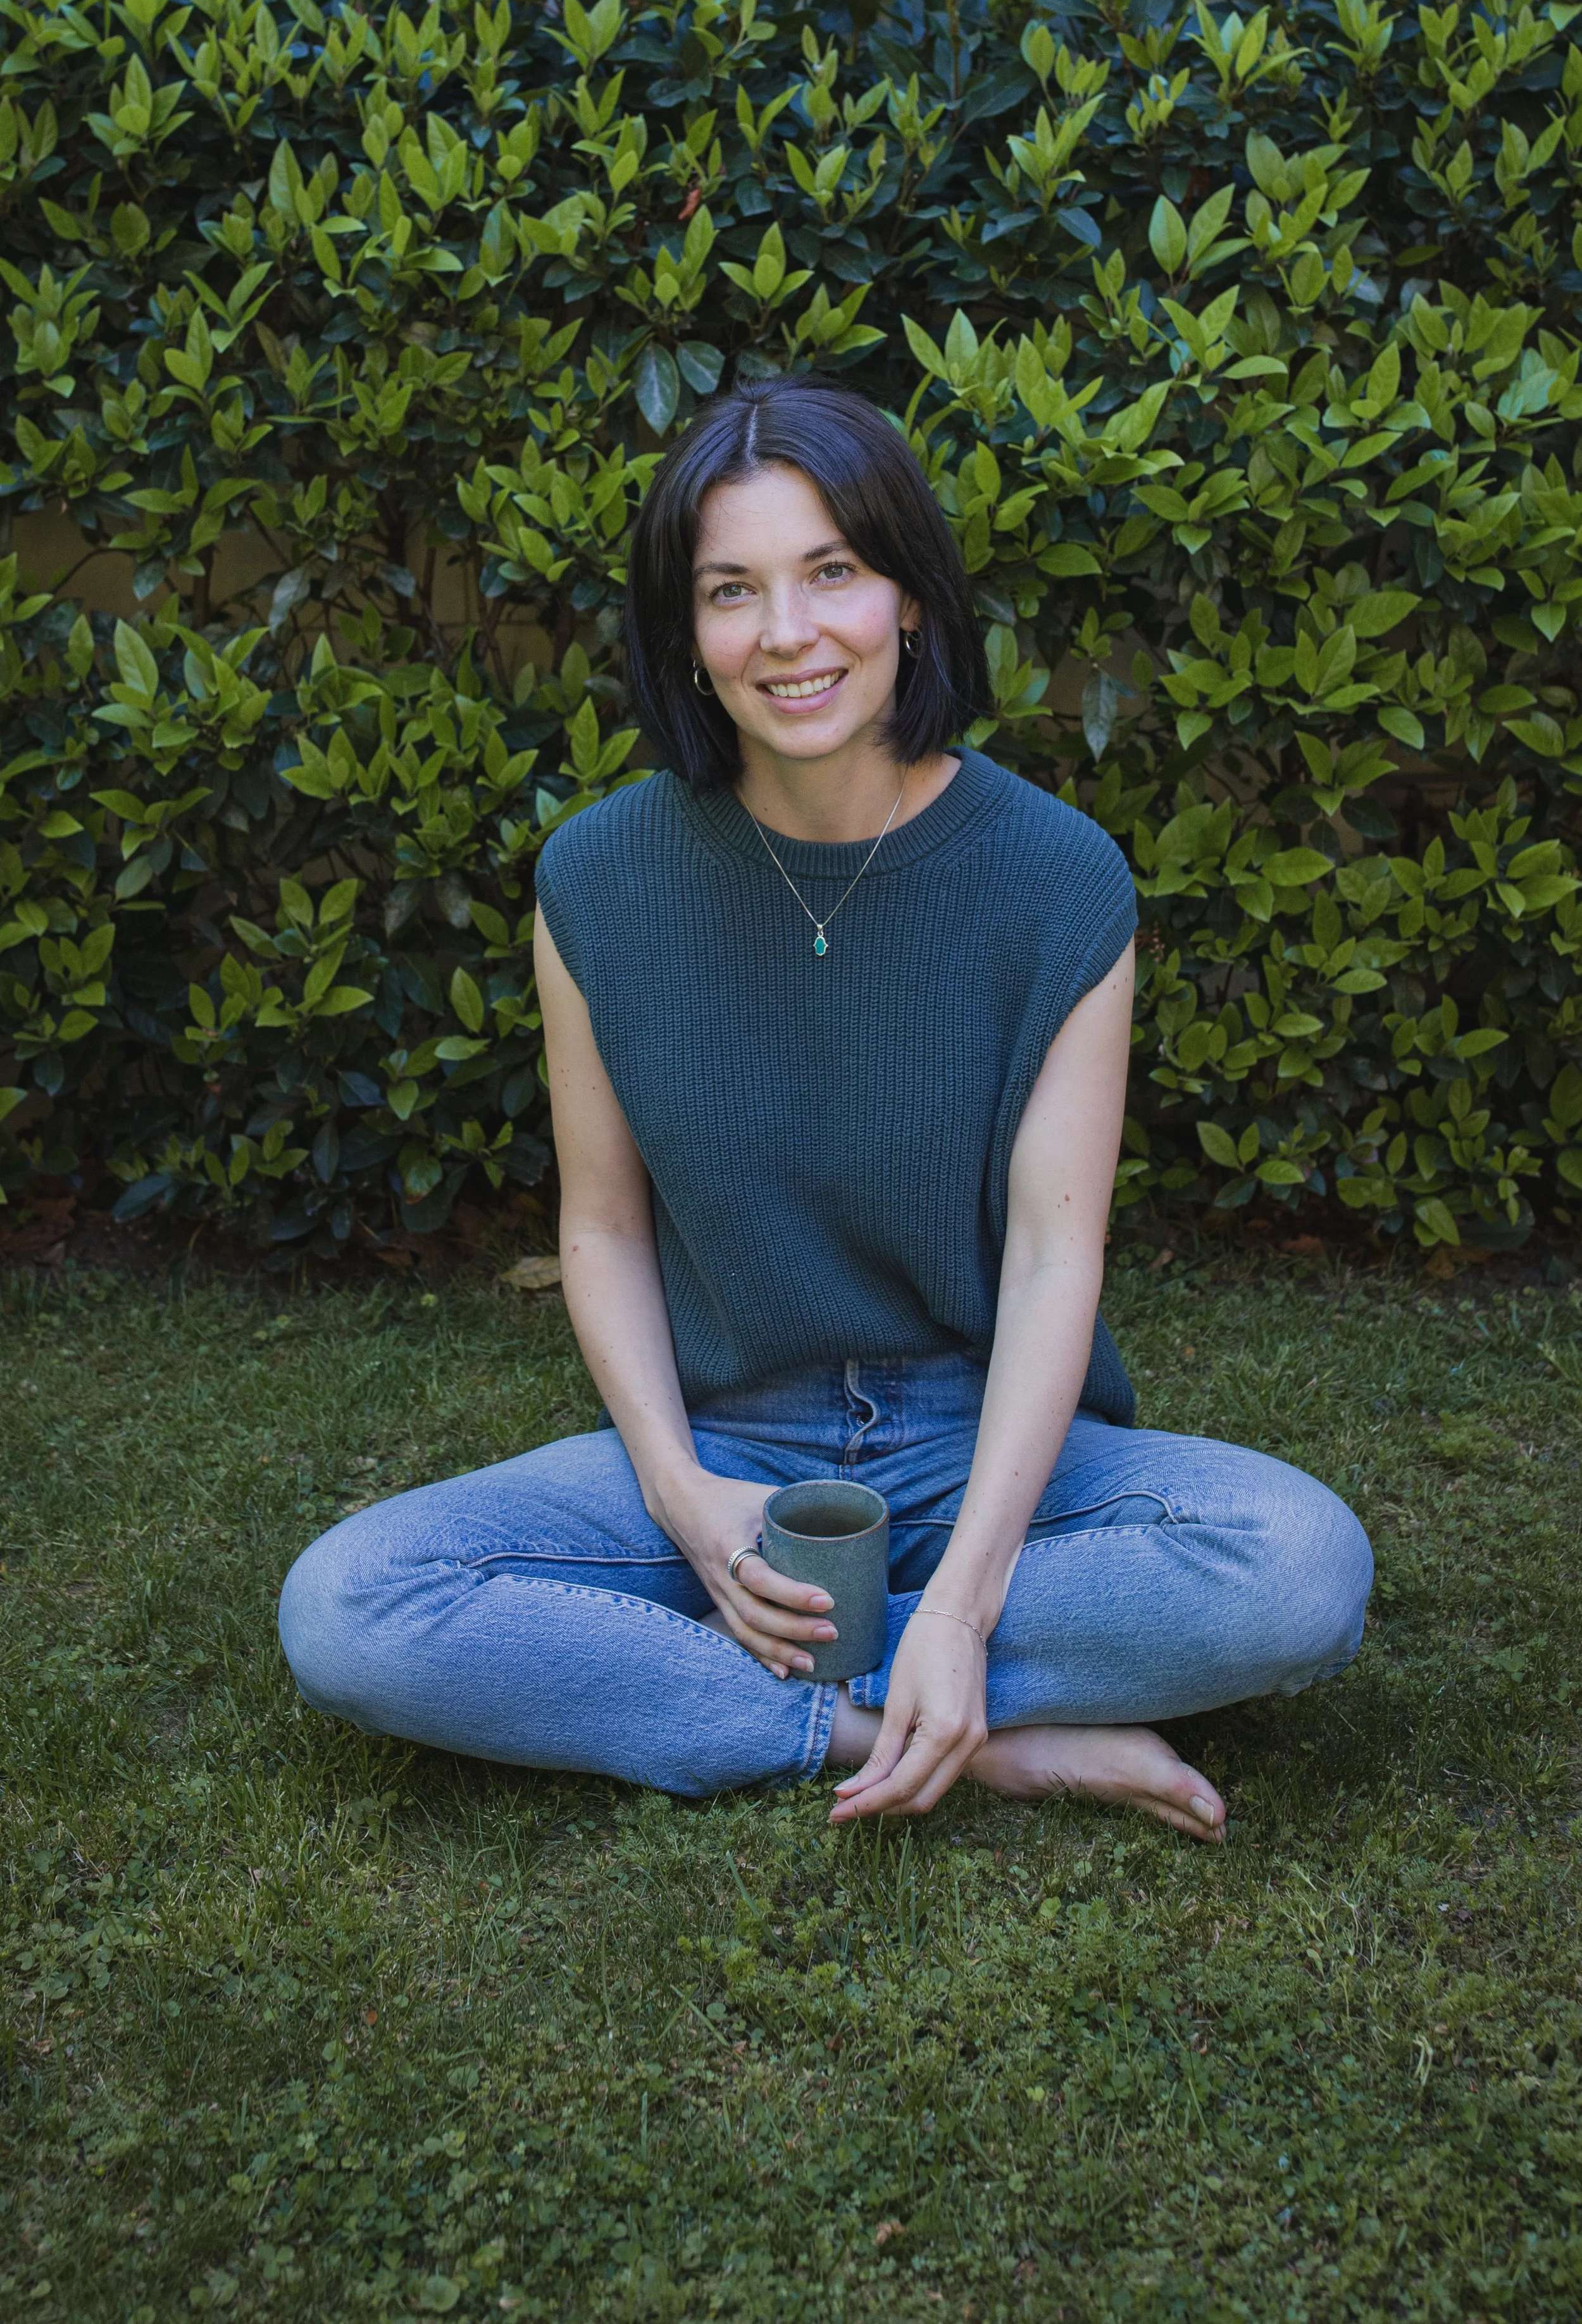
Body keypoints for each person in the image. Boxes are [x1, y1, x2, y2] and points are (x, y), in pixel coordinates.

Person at [278, 376, 1372, 1839]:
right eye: (730, 590)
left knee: (1297, 1567)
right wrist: (683, 1501)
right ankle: (919, 1732)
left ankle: (816, 1659)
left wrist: (966, 1603)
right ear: (685, 634)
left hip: (978, 1445)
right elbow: (601, 1229)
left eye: (831, 572)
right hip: (727, 1454)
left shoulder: (1055, 878)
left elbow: (1054, 1261)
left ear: (908, 597)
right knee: (350, 1604)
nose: (785, 633)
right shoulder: (597, 878)